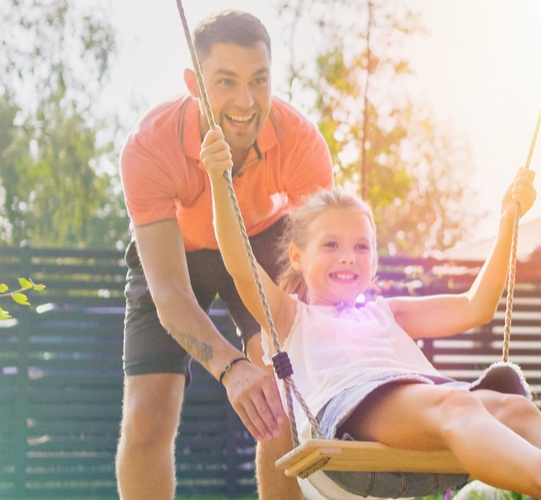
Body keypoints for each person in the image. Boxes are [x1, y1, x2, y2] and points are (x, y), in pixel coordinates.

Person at [202, 126, 541, 499]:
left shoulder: (385, 312)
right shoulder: (291, 318)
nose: (348, 256)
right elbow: (240, 266)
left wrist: (507, 225)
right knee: (458, 403)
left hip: (422, 404)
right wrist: (221, 183)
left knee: (510, 407)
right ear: (296, 258)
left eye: (361, 246)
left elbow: (475, 306)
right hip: (351, 415)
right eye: (331, 245)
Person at [116, 10, 331, 500]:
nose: (245, 100)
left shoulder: (301, 144)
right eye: (225, 82)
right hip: (177, 252)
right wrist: (232, 368)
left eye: (259, 80)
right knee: (147, 413)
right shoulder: (148, 148)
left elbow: (318, 265)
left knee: (281, 390)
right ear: (194, 84)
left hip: (261, 239)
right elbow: (169, 292)